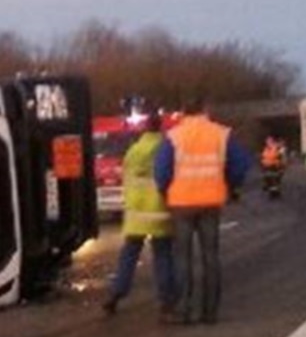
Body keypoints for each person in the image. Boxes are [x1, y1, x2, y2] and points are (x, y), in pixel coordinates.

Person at [154, 96, 252, 325]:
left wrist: (165, 191)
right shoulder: (220, 133)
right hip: (211, 201)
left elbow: (161, 171)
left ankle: (184, 309)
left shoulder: (175, 136)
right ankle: (210, 311)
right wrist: (230, 184)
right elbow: (241, 164)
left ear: (183, 112)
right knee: (210, 256)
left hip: (181, 203)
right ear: (205, 110)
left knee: (183, 257)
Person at [101, 112, 176, 318]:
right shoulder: (166, 149)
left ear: (144, 129)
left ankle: (115, 295)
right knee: (163, 257)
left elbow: (126, 177)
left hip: (136, 213)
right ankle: (167, 303)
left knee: (128, 256)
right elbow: (170, 178)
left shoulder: (133, 151)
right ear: (160, 128)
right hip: (159, 211)